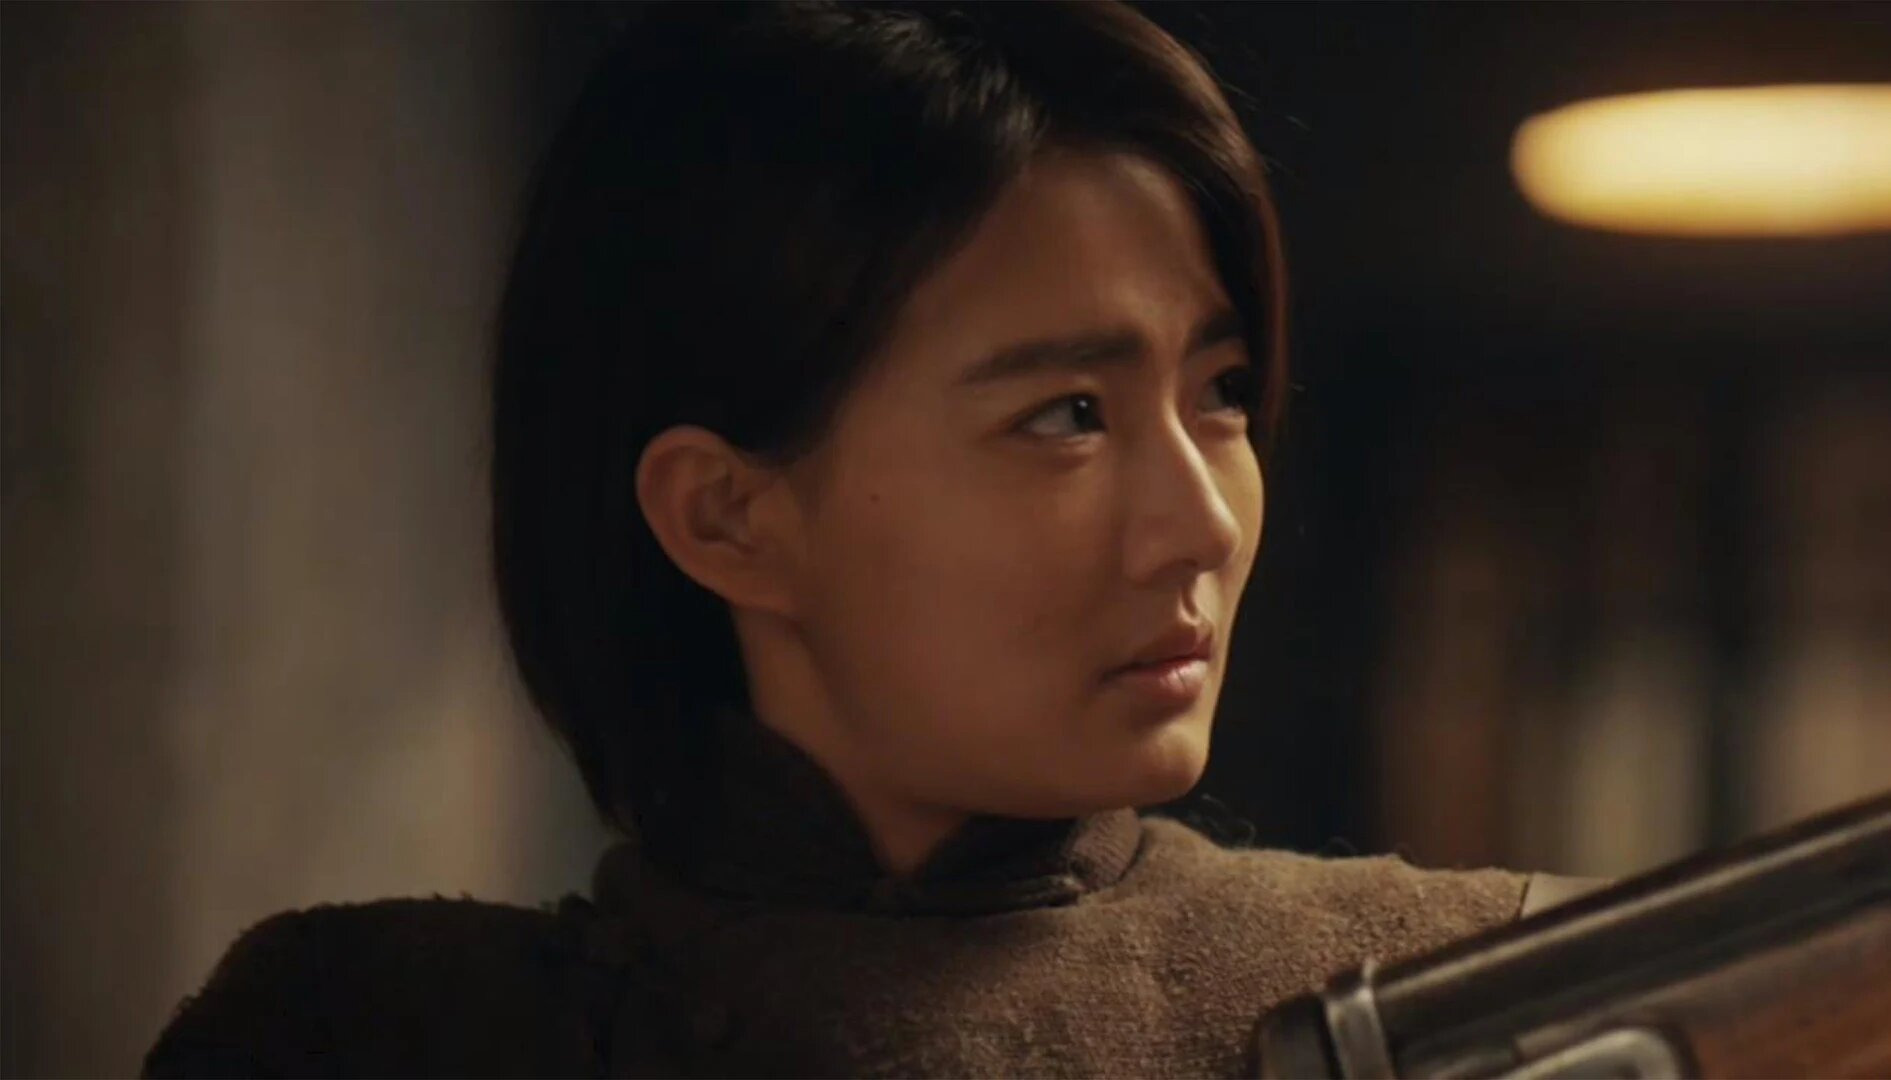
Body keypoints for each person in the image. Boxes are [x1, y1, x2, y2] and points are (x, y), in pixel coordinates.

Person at [144, 3, 1588, 1076]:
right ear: (726, 515)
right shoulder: (374, 1034)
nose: (1202, 521)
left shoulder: (1477, 1002)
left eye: (1218, 394)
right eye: (1069, 415)